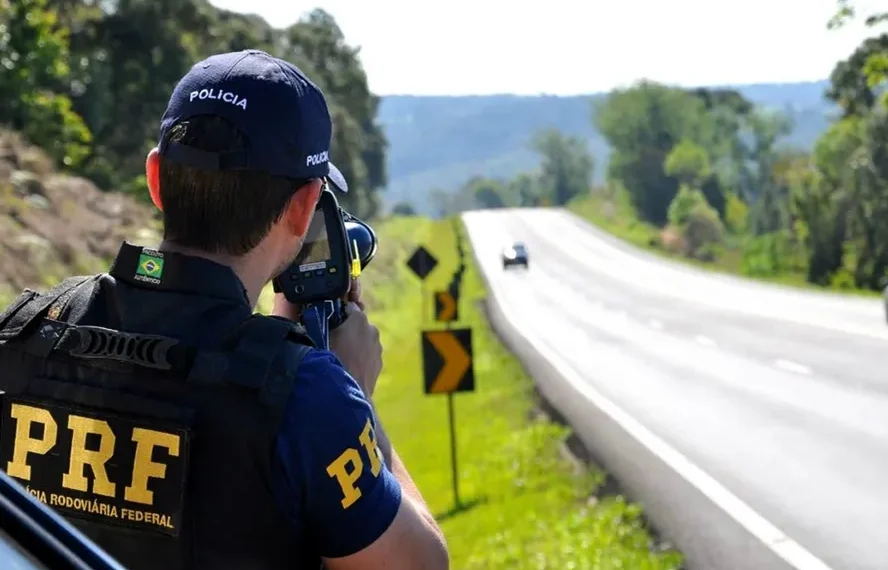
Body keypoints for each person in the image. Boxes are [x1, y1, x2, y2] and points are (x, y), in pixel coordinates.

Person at [0, 49, 449, 570]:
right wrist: (357, 400)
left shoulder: (24, 330)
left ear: (156, 179)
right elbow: (422, 564)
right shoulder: (309, 397)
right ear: (305, 208)